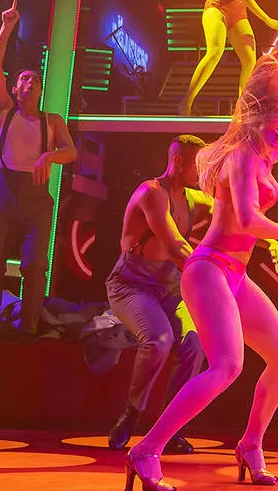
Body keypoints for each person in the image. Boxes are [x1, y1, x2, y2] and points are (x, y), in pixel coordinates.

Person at [123, 11, 278, 491]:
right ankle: (146, 449)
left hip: (235, 274)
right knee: (227, 367)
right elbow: (249, 219)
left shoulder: (268, 152)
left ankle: (250, 444)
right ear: (261, 117)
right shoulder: (241, 155)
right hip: (208, 270)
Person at [107, 133, 268, 454]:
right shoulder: (151, 193)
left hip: (168, 286)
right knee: (159, 339)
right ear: (178, 161)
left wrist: (270, 239)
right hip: (132, 285)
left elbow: (236, 213)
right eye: (198, 165)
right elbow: (176, 246)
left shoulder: (193, 197)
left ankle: (170, 427)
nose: (204, 172)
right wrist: (210, 274)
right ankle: (131, 413)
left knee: (194, 343)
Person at [0, 0, 79, 340]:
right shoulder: (3, 111)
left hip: (36, 199)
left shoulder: (52, 120)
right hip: (4, 191)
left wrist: (49, 156)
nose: (31, 81)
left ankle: (29, 331)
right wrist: (7, 27)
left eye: (36, 79)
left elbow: (71, 152)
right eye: (25, 77)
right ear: (16, 88)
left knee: (35, 267)